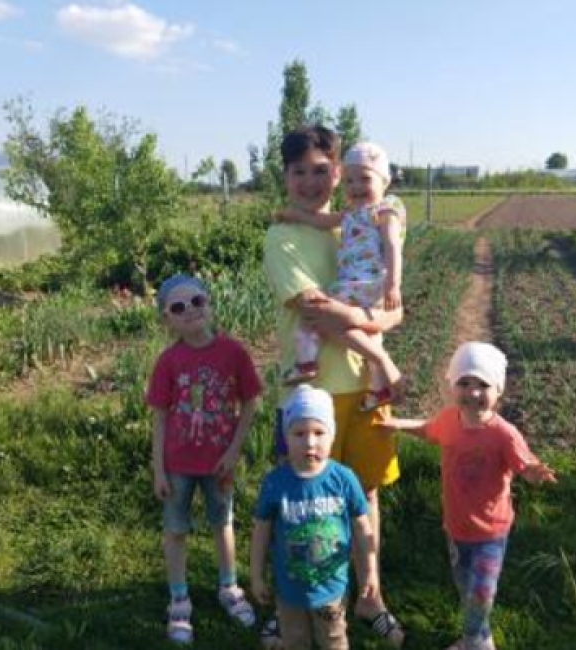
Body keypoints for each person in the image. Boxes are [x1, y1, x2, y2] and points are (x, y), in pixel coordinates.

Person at [263, 125, 405, 648]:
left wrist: (382, 320)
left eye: (321, 170)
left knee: (363, 493)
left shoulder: (360, 223)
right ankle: (293, 602)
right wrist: (375, 325)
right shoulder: (282, 238)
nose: (310, 181)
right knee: (299, 500)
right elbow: (314, 310)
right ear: (285, 176)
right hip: (310, 393)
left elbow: (395, 309)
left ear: (339, 173)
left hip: (364, 387)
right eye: (299, 171)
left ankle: (369, 594)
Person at [383, 341, 557, 650]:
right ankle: (480, 637)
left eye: (483, 385)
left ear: (498, 390)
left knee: (481, 594)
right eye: (464, 383)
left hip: (491, 533)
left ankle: (473, 641)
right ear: (453, 385)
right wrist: (397, 424)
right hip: (456, 528)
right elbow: (427, 429)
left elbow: (524, 464)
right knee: (466, 587)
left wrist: (533, 472)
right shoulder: (449, 421)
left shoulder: (504, 434)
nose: (473, 392)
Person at [146, 274, 262, 644]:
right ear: (167, 319)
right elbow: (159, 417)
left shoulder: (233, 352)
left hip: (219, 462)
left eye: (196, 301)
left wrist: (233, 451)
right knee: (175, 530)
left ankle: (229, 587)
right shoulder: (168, 361)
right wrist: (159, 470)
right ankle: (179, 599)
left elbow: (250, 402)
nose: (190, 311)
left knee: (222, 522)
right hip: (177, 465)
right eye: (178, 307)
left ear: (208, 303)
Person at [278, 141, 406, 412]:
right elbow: (321, 221)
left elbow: (393, 246)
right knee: (368, 331)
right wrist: (294, 215)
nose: (356, 187)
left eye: (365, 179)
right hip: (358, 282)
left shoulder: (384, 211)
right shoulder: (351, 213)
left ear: (384, 182)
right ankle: (378, 387)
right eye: (350, 180)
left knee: (320, 319)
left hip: (364, 281)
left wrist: (393, 284)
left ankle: (306, 362)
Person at [250, 385, 379, 650]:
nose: (310, 442)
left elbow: (362, 529)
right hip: (289, 592)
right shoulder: (275, 483)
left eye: (319, 433)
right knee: (295, 641)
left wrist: (369, 574)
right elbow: (261, 532)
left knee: (333, 640)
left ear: (332, 436)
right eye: (299, 433)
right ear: (286, 437)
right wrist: (256, 575)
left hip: (332, 591)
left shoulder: (344, 480)